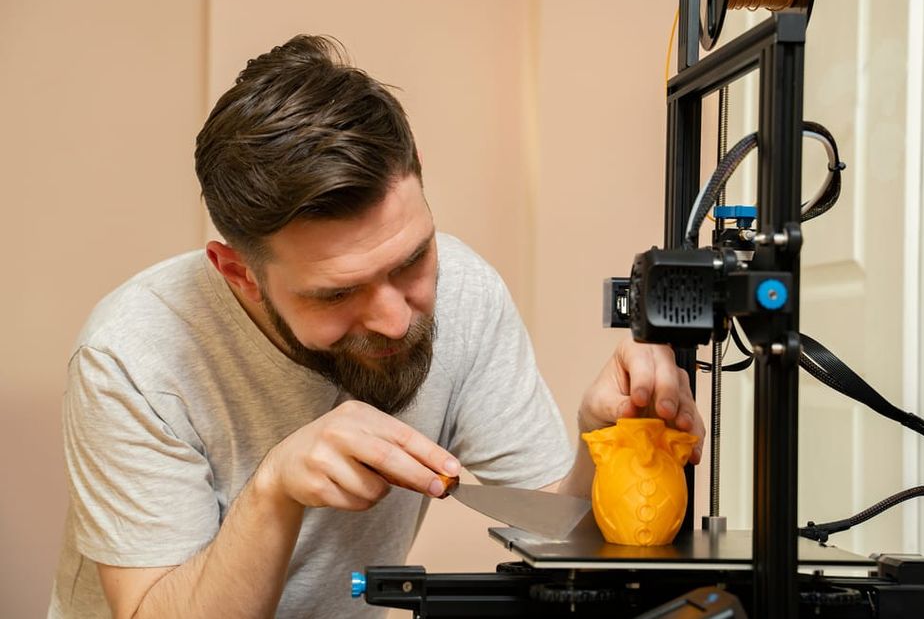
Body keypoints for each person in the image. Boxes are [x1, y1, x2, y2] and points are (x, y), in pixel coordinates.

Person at [48, 34, 704, 619]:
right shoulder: (132, 354)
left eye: (412, 258)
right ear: (239, 274)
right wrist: (275, 488)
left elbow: (562, 536)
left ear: (417, 170)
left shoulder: (467, 295)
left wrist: (605, 442)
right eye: (336, 293)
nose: (396, 317)